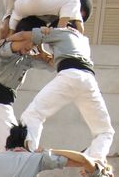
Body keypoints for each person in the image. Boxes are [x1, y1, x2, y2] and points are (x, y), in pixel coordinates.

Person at [21, 13, 114, 164]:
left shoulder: (61, 32)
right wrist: (45, 52)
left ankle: (28, 160)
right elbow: (56, 61)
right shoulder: (83, 40)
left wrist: (8, 37)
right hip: (88, 80)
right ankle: (96, 163)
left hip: (69, 76)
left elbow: (27, 35)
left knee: (33, 115)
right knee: (104, 131)